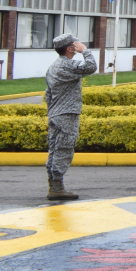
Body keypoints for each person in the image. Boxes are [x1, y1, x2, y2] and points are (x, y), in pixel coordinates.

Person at [45, 33, 97, 200]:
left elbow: (48, 94)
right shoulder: (66, 66)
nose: (78, 44)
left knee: (54, 149)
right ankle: (57, 188)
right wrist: (85, 51)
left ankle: (54, 186)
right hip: (66, 114)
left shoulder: (54, 66)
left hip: (55, 113)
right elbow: (91, 67)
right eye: (75, 43)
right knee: (64, 149)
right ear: (69, 48)